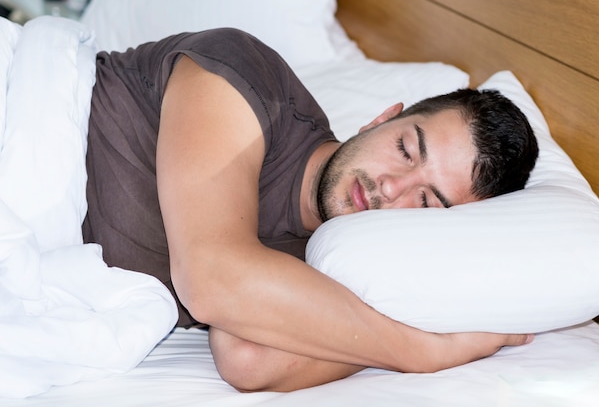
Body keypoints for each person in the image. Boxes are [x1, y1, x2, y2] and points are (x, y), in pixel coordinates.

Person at [82, 28, 538, 392]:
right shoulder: (250, 77)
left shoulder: (332, 263)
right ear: (382, 118)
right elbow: (211, 279)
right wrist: (430, 352)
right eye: (405, 149)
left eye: (424, 201)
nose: (390, 185)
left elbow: (248, 361)